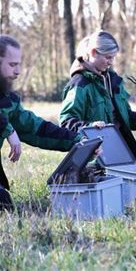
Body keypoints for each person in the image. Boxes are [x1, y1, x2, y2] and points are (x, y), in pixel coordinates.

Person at [0, 35, 83, 211]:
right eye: (12, 65)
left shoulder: (10, 101)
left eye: (19, 64)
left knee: (4, 205)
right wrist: (8, 130)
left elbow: (36, 129)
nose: (18, 71)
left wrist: (78, 140)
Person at [59, 30, 136, 165]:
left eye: (113, 57)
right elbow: (66, 122)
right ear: (94, 52)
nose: (111, 62)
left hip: (121, 153)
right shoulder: (79, 85)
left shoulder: (113, 81)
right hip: (95, 158)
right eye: (108, 57)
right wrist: (89, 127)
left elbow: (125, 116)